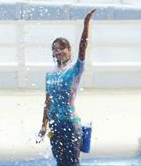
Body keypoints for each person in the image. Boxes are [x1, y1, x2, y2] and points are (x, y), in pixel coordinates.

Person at [36, 9, 96, 166]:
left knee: (73, 163)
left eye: (62, 48)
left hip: (70, 124)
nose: (59, 51)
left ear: (69, 51)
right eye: (55, 49)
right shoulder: (50, 75)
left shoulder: (75, 70)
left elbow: (83, 47)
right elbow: (47, 102)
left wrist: (86, 24)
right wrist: (43, 125)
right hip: (55, 125)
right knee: (60, 162)